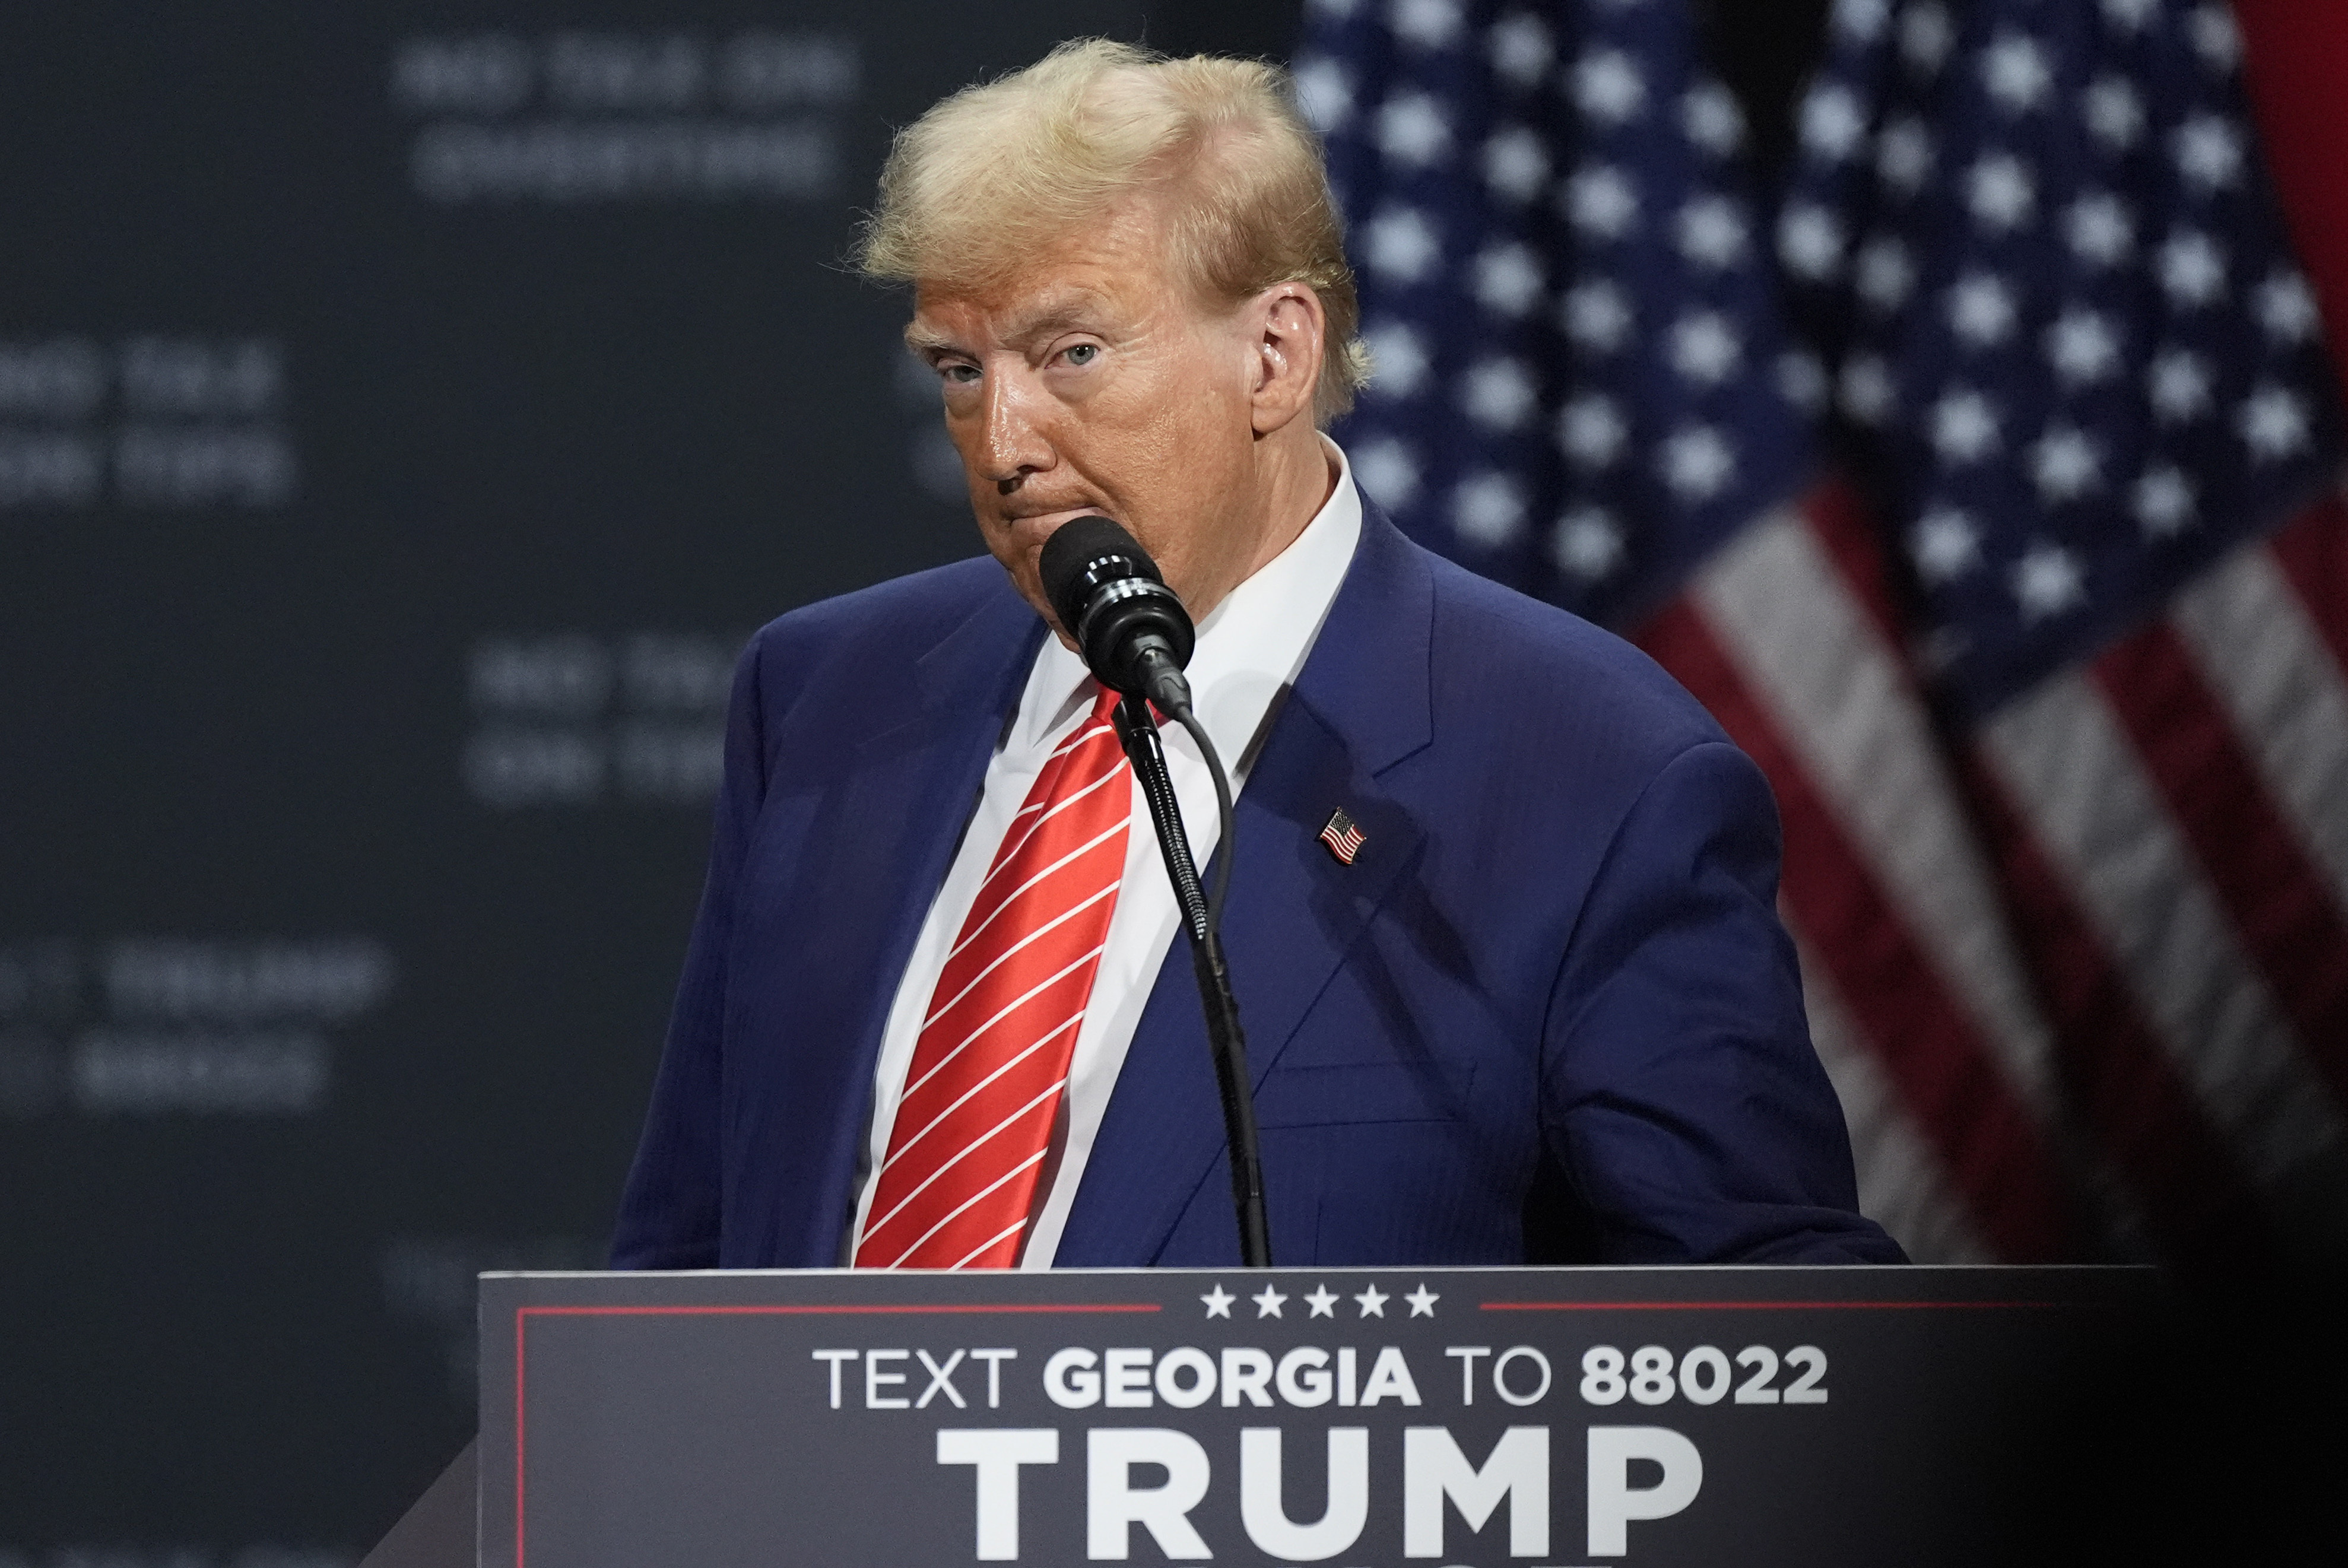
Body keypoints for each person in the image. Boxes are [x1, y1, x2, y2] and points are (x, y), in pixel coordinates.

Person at [610, 39, 1902, 1271]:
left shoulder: (1591, 771)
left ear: (1275, 354)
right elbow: (686, 1261)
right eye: (958, 369)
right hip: (805, 1506)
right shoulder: (828, 695)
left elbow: (1766, 1335)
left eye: (1071, 355)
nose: (1001, 441)